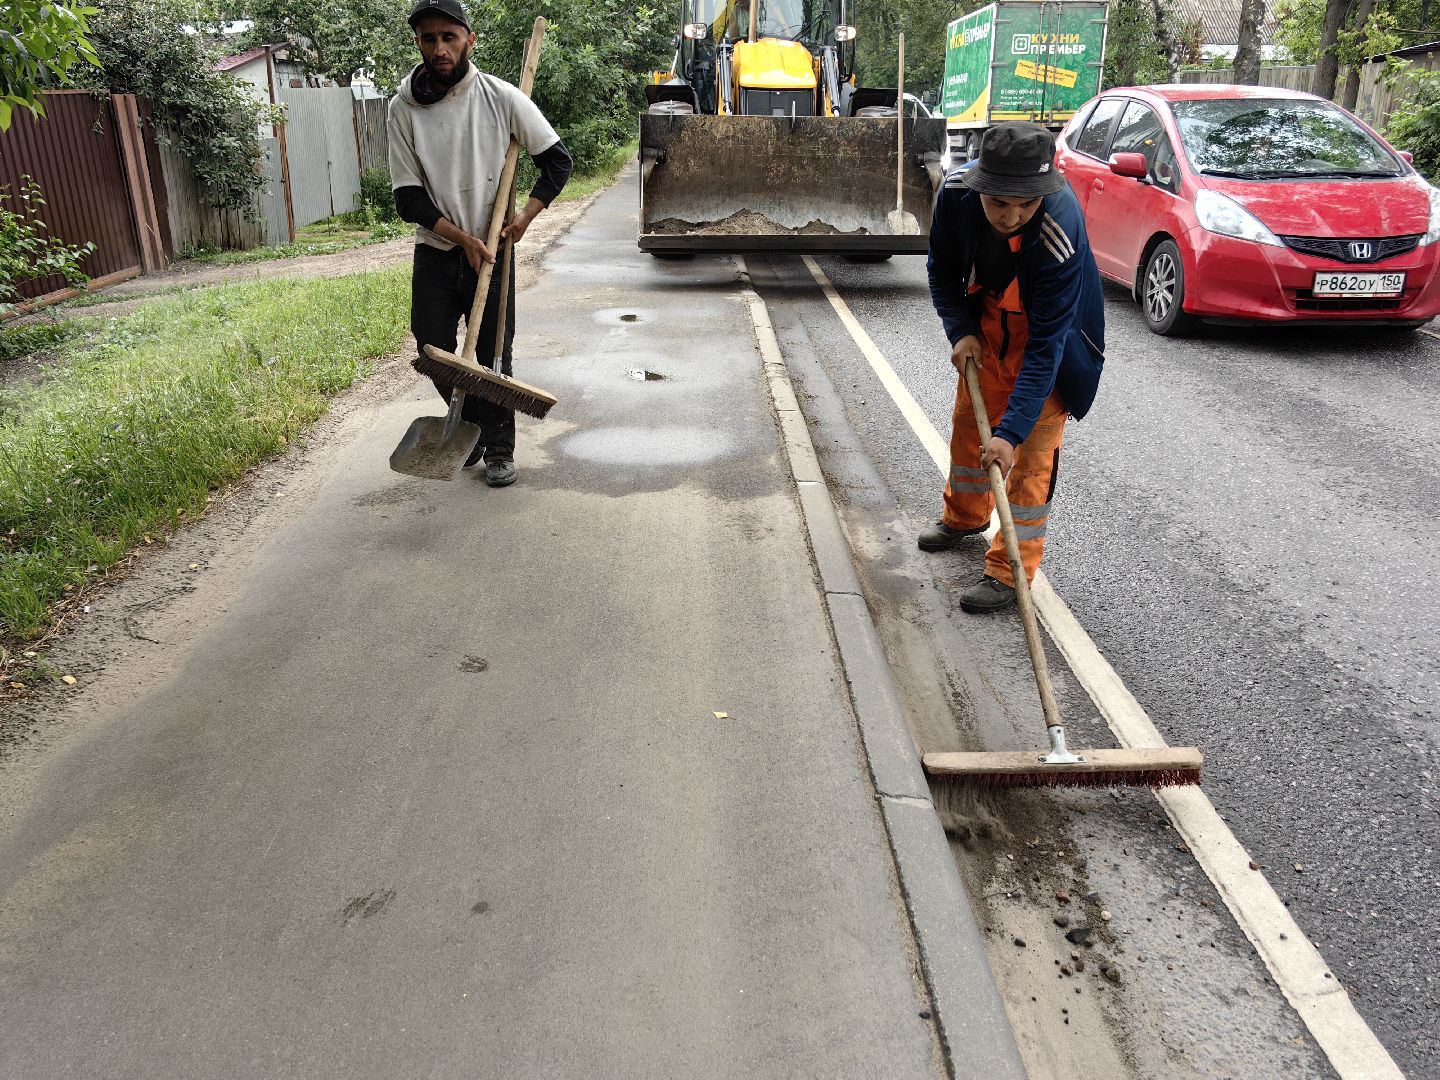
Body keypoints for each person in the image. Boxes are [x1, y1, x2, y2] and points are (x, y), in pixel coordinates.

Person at [921, 122, 1104, 613]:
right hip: (986, 323)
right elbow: (940, 270)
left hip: (1046, 338)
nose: (1012, 216)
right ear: (980, 184)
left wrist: (1013, 431)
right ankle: (964, 515)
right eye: (999, 202)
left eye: (1025, 204)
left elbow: (1047, 346)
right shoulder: (956, 198)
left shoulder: (1059, 229)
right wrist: (960, 330)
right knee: (969, 428)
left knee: (1028, 458)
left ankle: (1009, 571)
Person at [388, 0, 572, 487]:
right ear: (419, 44)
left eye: (449, 36)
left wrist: (526, 217)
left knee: (493, 354)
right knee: (431, 344)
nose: (439, 48)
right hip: (439, 246)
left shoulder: (502, 98)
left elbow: (557, 162)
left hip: (494, 251)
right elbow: (408, 198)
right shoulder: (402, 107)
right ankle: (464, 424)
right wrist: (462, 238)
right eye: (429, 38)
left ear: (469, 39)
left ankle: (498, 450)